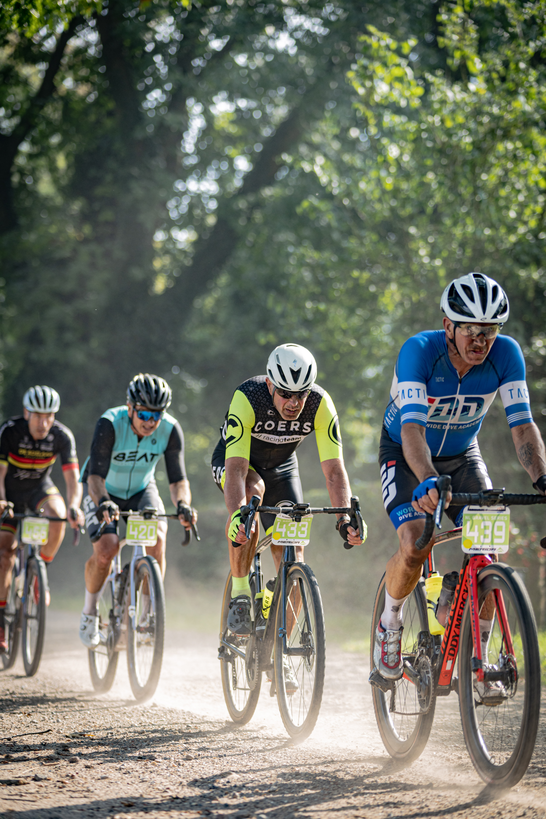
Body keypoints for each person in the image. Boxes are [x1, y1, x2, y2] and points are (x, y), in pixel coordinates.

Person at [372, 272, 546, 701]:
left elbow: (523, 427)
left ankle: (478, 654)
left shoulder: (506, 355)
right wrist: (427, 479)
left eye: (490, 330)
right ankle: (390, 623)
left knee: (488, 545)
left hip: (463, 455)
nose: (481, 340)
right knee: (414, 543)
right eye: (471, 329)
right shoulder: (419, 351)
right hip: (407, 454)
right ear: (448, 325)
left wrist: (542, 478)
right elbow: (412, 429)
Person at [211, 342, 366, 645]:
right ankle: (241, 593)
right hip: (238, 464)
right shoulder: (249, 397)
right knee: (251, 502)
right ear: (270, 384)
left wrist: (344, 519)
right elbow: (238, 470)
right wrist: (237, 515)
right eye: (285, 393)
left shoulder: (320, 403)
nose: (294, 403)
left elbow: (335, 472)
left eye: (301, 394)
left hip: (282, 468)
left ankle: (274, 648)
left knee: (293, 551)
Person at [79, 373, 197, 648]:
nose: (150, 422)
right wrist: (103, 501)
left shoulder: (170, 429)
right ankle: (89, 612)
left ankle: (146, 618)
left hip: (141, 489)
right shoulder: (110, 423)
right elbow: (94, 476)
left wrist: (183, 504)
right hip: (102, 488)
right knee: (106, 550)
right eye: (143, 413)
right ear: (130, 407)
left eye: (157, 415)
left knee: (157, 539)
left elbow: (178, 480)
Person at [0, 386, 85, 651]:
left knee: (58, 516)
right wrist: (1, 501)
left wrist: (74, 506)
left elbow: (73, 478)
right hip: (10, 492)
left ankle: (39, 574)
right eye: (38, 416)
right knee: (4, 554)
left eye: (49, 416)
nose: (43, 422)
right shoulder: (10, 431)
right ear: (27, 413)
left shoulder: (62, 435)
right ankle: (1, 621)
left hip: (39, 488)